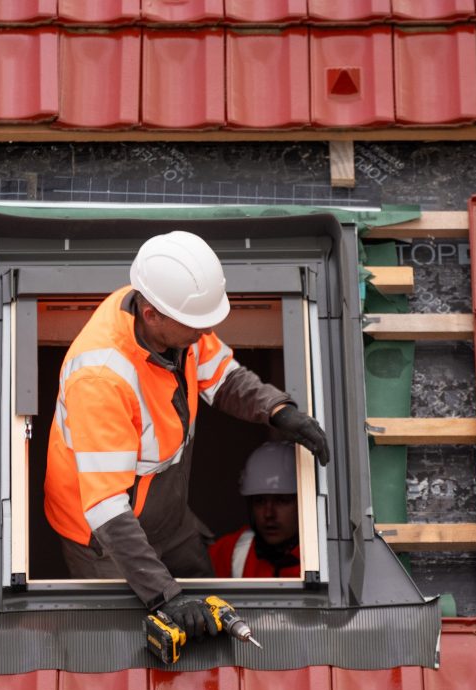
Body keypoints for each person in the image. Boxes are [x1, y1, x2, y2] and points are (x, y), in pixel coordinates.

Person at [43, 230, 330, 640]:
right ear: (151, 315)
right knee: (130, 637)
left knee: (206, 599)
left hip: (168, 512)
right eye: (197, 324)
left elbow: (222, 377)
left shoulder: (175, 314)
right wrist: (164, 597)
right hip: (104, 537)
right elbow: (106, 507)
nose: (206, 331)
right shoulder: (101, 378)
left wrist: (278, 410)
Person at [209, 441, 302, 579]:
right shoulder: (230, 550)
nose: (268, 514)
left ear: (302, 502)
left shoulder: (323, 558)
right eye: (260, 501)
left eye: (282, 500)